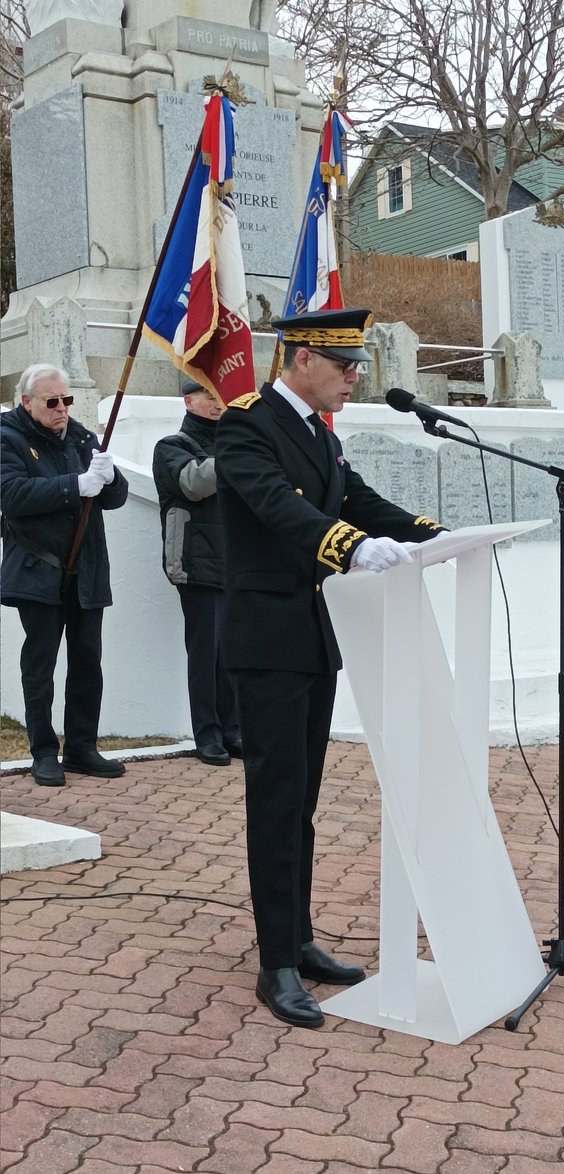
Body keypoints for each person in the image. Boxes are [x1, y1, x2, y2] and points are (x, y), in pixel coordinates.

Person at [215, 308, 448, 1028]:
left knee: (302, 805)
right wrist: (346, 546)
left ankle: (298, 939)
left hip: (311, 638)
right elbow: (275, 508)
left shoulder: (317, 431)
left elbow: (351, 498)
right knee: (275, 801)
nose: (355, 378)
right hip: (268, 640)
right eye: (345, 365)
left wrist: (427, 530)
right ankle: (275, 964)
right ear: (301, 358)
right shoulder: (246, 422)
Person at [1, 363, 128, 787]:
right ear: (27, 402)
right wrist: (75, 484)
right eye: (51, 402)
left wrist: (109, 479)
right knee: (40, 664)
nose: (61, 409)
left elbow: (115, 496)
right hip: (40, 570)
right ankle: (42, 751)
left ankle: (81, 746)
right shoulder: (8, 438)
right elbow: (12, 494)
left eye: (66, 400)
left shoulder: (80, 436)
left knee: (87, 661)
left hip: (87, 568)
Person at [152, 377, 241, 766]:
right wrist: (241, 455)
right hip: (197, 562)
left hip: (238, 564)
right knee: (206, 653)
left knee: (233, 654)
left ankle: (233, 729)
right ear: (189, 401)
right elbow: (193, 482)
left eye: (220, 394)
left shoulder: (236, 446)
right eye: (208, 395)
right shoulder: (172, 447)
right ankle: (207, 733)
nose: (217, 402)